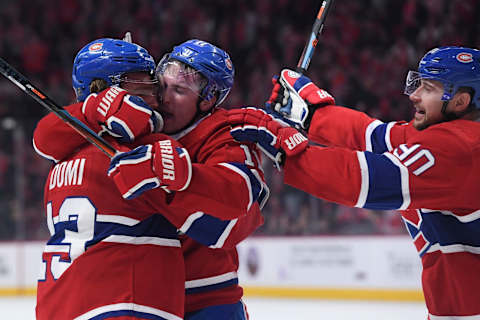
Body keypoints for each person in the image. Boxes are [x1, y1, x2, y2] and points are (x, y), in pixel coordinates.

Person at [227, 46, 480, 319]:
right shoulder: (446, 135)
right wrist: (312, 113)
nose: (415, 95)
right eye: (417, 83)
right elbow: (372, 135)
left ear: (460, 102)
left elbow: (361, 180)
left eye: (428, 88)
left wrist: (282, 146)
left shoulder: (461, 148)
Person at [33, 39, 268, 320]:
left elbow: (232, 220)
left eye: (179, 90)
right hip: (151, 298)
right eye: (160, 86)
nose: (162, 98)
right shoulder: (131, 136)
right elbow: (43, 137)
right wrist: (93, 109)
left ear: (207, 99)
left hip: (205, 299)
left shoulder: (225, 134)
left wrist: (177, 175)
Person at [34, 38, 186, 320]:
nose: (155, 95)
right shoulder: (134, 153)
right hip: (123, 304)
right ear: (105, 90)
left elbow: (45, 136)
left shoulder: (62, 161)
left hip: (58, 306)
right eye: (142, 85)